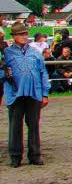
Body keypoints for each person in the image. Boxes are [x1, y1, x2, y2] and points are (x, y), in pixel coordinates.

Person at [4, 21, 50, 166]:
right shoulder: (6, 54)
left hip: (34, 93)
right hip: (15, 94)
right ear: (14, 36)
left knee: (34, 125)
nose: (24, 36)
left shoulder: (35, 52)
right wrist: (4, 73)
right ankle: (15, 157)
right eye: (21, 34)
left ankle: (35, 155)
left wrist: (45, 93)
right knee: (15, 126)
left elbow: (43, 73)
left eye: (25, 34)